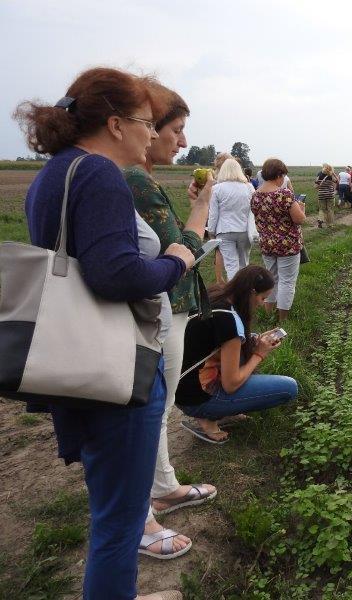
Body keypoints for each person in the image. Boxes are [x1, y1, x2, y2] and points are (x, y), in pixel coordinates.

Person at [16, 67, 195, 600]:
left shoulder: (57, 171)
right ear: (116, 124)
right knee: (119, 522)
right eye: (145, 121)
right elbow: (115, 274)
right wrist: (175, 261)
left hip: (76, 360)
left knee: (110, 504)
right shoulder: (97, 174)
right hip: (114, 369)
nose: (150, 131)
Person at [124, 82, 216, 563]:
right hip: (162, 308)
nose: (182, 142)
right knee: (151, 409)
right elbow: (179, 250)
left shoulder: (142, 179)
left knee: (156, 407)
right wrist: (201, 209)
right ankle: (145, 514)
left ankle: (165, 485)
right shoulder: (135, 180)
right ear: (144, 127)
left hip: (164, 306)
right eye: (176, 130)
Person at [175, 266, 298, 443]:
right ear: (251, 292)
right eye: (262, 298)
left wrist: (253, 340)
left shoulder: (216, 294)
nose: (262, 303)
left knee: (245, 351)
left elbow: (212, 342)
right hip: (196, 398)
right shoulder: (230, 322)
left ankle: (219, 409)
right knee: (289, 388)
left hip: (180, 387)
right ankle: (209, 415)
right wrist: (259, 354)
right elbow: (230, 385)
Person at [252, 158, 305, 321]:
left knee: (272, 279)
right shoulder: (285, 194)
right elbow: (299, 219)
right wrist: (302, 208)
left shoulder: (255, 195)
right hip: (287, 244)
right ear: (279, 175)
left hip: (267, 244)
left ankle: (268, 314)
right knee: (287, 281)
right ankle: (283, 319)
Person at [209, 158, 255, 279]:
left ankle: (234, 293)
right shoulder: (249, 187)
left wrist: (211, 232)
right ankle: (245, 292)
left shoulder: (217, 189)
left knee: (231, 266)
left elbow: (213, 214)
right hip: (245, 230)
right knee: (244, 264)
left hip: (224, 230)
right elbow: (254, 209)